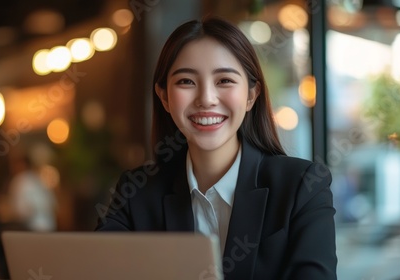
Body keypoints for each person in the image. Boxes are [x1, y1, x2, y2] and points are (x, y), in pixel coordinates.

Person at [95, 16, 337, 279]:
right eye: (186, 81)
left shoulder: (303, 185)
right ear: (164, 97)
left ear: (250, 95)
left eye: (224, 80)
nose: (206, 99)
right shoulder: (136, 193)